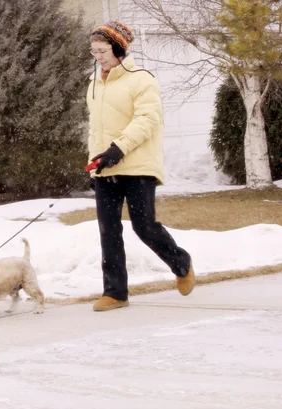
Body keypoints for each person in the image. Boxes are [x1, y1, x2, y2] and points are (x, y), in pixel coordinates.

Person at [86, 20, 195, 312]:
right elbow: (94, 130)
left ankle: (181, 263)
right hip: (106, 167)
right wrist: (94, 162)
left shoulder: (142, 79)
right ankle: (115, 292)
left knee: (144, 226)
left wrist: (118, 148)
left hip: (138, 167)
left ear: (119, 49)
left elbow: (147, 121)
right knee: (108, 230)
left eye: (103, 51)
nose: (99, 57)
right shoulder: (95, 84)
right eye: (94, 52)